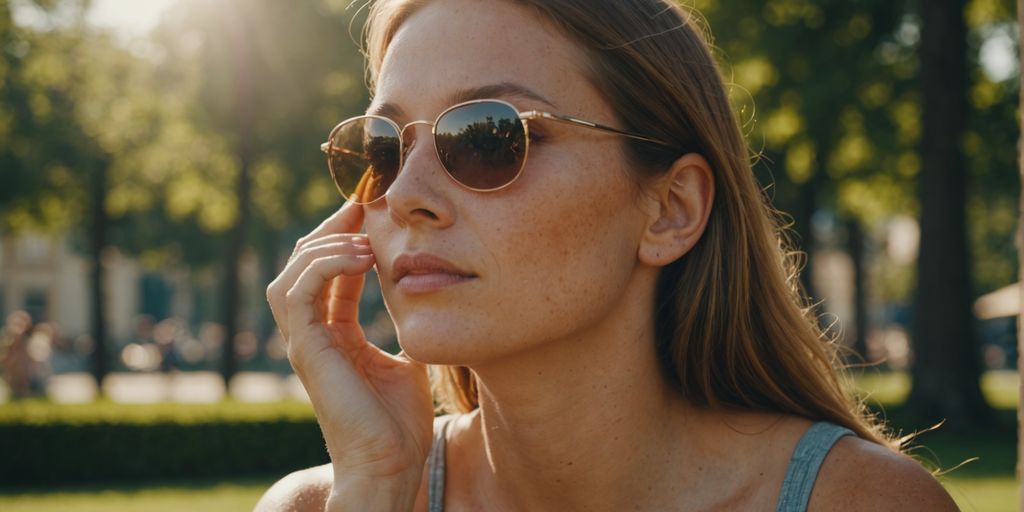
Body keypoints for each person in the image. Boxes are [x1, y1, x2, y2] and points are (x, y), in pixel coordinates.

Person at [257, 0, 958, 510]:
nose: (405, 194)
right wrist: (376, 486)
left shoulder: (858, 502)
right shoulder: (327, 504)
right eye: (381, 147)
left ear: (670, 209)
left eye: (487, 137)